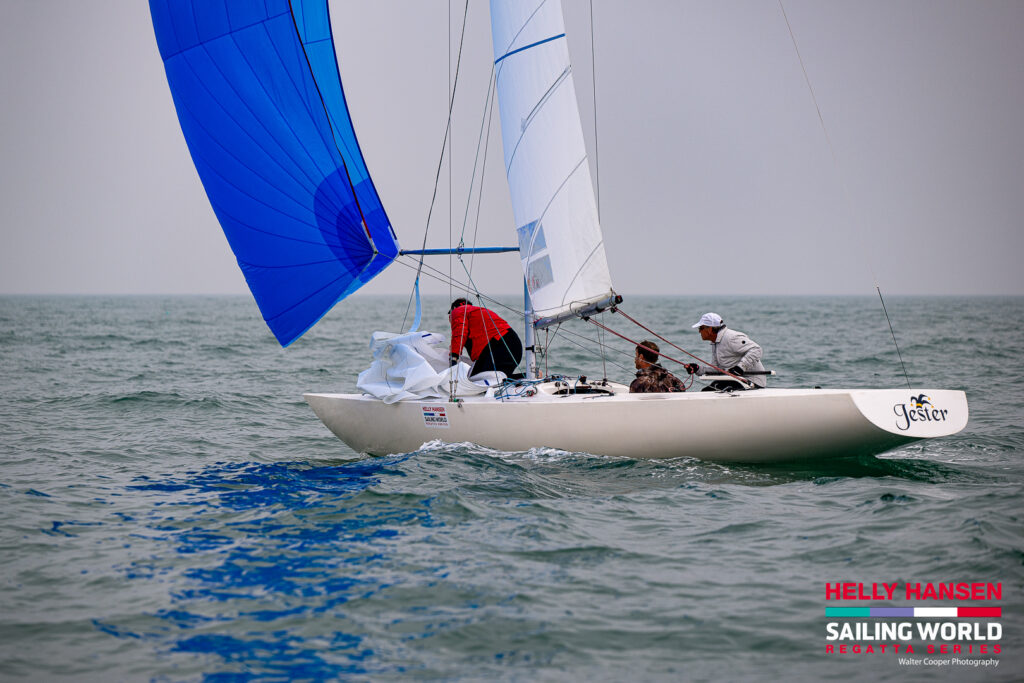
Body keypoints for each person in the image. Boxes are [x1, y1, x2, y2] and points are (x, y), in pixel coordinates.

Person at [683, 312, 766, 391]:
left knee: (711, 392)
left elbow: (756, 349)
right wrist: (698, 369)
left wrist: (740, 367)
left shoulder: (731, 337)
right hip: (735, 380)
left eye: (701, 328)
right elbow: (718, 370)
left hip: (752, 382)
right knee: (707, 391)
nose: (699, 331)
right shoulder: (715, 342)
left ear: (710, 329)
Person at [448, 298, 523, 378]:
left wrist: (454, 356)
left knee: (479, 379)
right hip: (512, 345)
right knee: (490, 379)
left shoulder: (458, 310)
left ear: (454, 308)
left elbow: (460, 332)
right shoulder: (476, 313)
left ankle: (527, 377)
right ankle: (528, 377)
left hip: (499, 344)